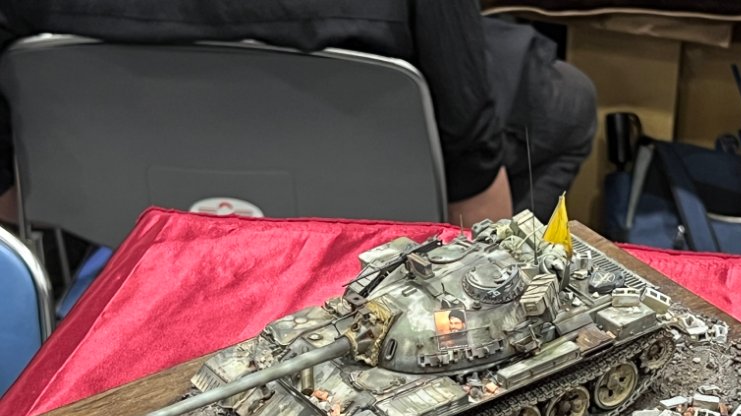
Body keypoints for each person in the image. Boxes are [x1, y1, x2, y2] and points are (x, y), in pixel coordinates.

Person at [0, 1, 597, 226]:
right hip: (361, 206)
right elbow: (470, 158)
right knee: (568, 104)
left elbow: (10, 186)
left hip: (125, 203)